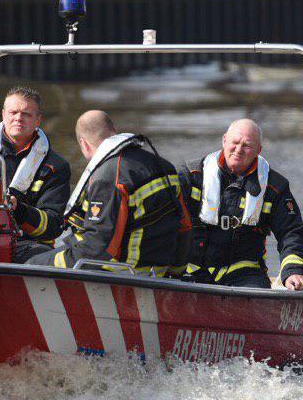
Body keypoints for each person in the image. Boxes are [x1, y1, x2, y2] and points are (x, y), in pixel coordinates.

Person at [24, 110, 190, 276]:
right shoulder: (164, 166)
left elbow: (98, 248)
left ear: (83, 143)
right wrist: (176, 272)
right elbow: (185, 227)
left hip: (122, 274)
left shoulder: (109, 176)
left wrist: (40, 263)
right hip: (158, 273)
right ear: (114, 131)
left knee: (31, 264)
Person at [179, 119, 303, 290]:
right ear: (224, 140)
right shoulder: (193, 175)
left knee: (258, 296)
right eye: (235, 142)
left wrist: (293, 271)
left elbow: (290, 232)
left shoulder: (275, 187)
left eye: (247, 145)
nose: (238, 150)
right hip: (191, 270)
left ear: (258, 150)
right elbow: (165, 218)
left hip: (245, 274)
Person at [0, 87, 71, 255]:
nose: (18, 118)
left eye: (26, 114)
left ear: (38, 120)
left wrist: (19, 210)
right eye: (13, 112)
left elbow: (53, 226)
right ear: (3, 115)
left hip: (24, 244)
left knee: (43, 256)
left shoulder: (55, 166)